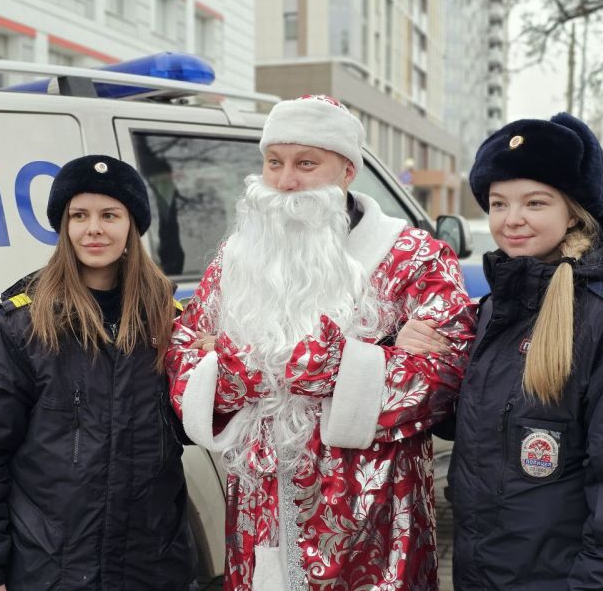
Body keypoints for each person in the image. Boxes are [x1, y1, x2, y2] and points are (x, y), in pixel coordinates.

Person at [166, 94, 477, 590]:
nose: (286, 181)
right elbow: (185, 351)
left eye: (306, 163)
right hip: (261, 518)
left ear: (348, 170)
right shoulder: (237, 257)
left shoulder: (413, 256)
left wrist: (338, 368)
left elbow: (447, 372)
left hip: (374, 517)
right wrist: (230, 372)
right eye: (274, 163)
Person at [0, 155, 197, 591]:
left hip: (153, 566)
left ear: (132, 226)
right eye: (79, 215)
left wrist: (215, 370)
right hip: (53, 570)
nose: (94, 228)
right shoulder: (24, 327)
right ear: (64, 228)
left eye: (109, 214)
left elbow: (198, 429)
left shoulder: (169, 323)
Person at [441, 112, 603, 589]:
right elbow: (476, 426)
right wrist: (407, 349)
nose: (511, 219)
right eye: (498, 203)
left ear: (574, 212)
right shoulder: (496, 310)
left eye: (534, 202)